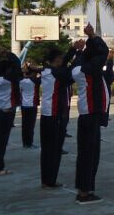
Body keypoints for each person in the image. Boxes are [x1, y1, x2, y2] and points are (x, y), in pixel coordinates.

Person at [72, 23, 111, 204]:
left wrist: (80, 50)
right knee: (89, 156)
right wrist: (92, 35)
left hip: (86, 115)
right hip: (91, 115)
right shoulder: (89, 70)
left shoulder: (77, 68)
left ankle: (85, 188)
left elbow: (93, 55)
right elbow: (103, 52)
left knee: (87, 155)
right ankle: (84, 192)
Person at [39, 43, 76, 189]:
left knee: (46, 150)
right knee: (54, 150)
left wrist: (72, 50)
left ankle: (45, 179)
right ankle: (51, 180)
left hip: (45, 115)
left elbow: (63, 68)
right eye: (61, 58)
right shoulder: (57, 74)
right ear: (57, 59)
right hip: (55, 115)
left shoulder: (46, 70)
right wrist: (79, 55)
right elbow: (70, 74)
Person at [0, 52, 21, 175]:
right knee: (2, 142)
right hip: (7, 112)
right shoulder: (9, 80)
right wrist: (8, 54)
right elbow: (17, 64)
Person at [20, 65, 41, 148]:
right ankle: (29, 143)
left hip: (24, 105)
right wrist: (37, 69)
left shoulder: (21, 80)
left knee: (25, 125)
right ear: (32, 73)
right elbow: (45, 74)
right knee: (31, 125)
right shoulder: (35, 81)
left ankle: (25, 143)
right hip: (32, 105)